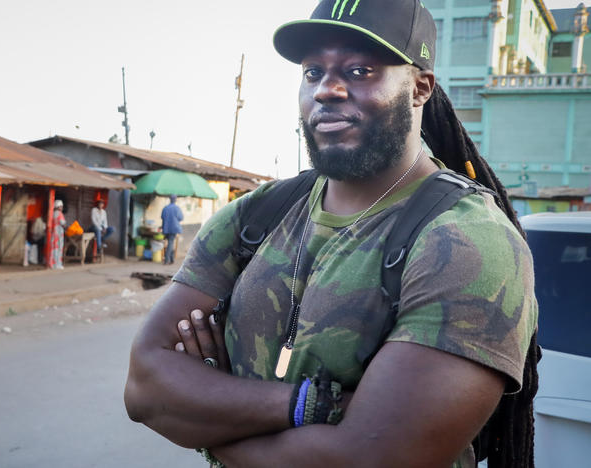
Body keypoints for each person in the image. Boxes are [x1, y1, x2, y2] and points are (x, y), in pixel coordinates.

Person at [124, 1, 539, 467]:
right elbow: (144, 388)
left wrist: (205, 412)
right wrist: (309, 407)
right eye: (312, 72)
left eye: (360, 70)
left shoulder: (466, 242)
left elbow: (368, 460)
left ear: (420, 88)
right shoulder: (255, 214)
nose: (328, 90)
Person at [161, 194, 183, 265]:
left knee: (170, 243)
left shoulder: (165, 208)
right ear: (175, 200)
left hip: (166, 228)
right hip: (173, 228)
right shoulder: (177, 208)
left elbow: (162, 217)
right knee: (170, 243)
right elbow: (181, 218)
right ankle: (167, 260)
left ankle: (171, 259)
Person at [48, 199, 66, 269]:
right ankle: (57, 264)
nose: (62, 208)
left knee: (53, 249)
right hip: (59, 234)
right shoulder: (60, 214)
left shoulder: (52, 213)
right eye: (61, 206)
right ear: (58, 207)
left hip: (53, 234)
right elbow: (63, 223)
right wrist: (66, 227)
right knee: (59, 249)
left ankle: (52, 264)